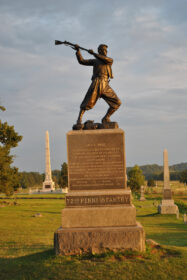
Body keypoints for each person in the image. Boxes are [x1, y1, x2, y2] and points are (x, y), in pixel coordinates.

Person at [75, 44, 121, 124]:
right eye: (103, 50)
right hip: (97, 82)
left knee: (117, 103)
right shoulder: (95, 61)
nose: (105, 52)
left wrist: (93, 54)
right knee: (88, 101)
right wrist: (78, 51)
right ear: (99, 51)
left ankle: (106, 118)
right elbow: (82, 61)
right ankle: (79, 119)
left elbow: (107, 59)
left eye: (106, 50)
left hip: (105, 84)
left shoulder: (108, 60)